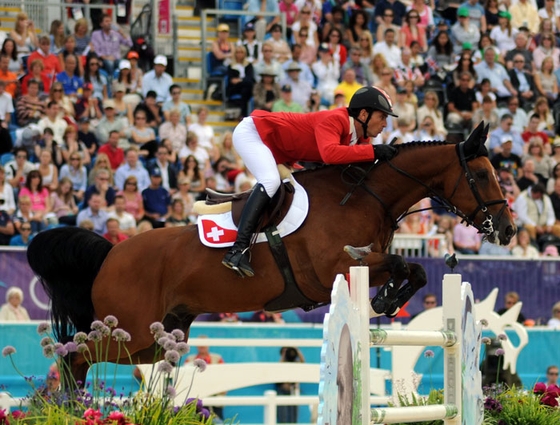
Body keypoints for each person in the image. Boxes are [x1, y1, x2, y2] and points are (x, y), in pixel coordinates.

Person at [222, 86, 398, 277]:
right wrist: (375, 152)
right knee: (271, 181)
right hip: (253, 134)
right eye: (382, 117)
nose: (384, 124)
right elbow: (329, 154)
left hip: (275, 148)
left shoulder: (358, 138)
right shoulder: (335, 119)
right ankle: (237, 250)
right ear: (364, 114)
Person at [184, 337, 226, 419]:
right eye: (200, 343)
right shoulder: (190, 359)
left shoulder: (217, 359)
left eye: (204, 343)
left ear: (208, 345)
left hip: (214, 396)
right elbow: (186, 379)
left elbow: (223, 377)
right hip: (195, 397)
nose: (202, 345)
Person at [276, 346, 305, 423]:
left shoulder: (296, 363)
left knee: (293, 416)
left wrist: (296, 350)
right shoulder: (282, 363)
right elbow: (278, 369)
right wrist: (284, 355)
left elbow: (303, 362)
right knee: (283, 415)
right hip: (282, 391)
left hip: (293, 391)